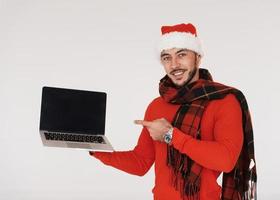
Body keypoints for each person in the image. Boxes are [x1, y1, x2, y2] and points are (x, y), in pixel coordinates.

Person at [89, 23, 257, 200]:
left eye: (182, 55)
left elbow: (226, 160)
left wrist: (170, 135)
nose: (174, 64)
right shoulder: (156, 105)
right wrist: (95, 149)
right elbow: (140, 163)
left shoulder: (224, 101)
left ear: (198, 57)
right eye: (166, 57)